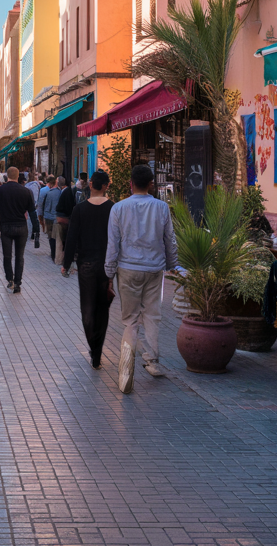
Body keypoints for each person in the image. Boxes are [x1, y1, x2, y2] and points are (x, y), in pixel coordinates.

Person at [104, 164, 178, 393]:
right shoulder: (162, 207)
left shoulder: (118, 208)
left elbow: (112, 244)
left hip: (127, 269)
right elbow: (170, 240)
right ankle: (152, 361)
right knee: (152, 315)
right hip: (154, 269)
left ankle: (126, 370)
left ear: (130, 184)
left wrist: (109, 272)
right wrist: (172, 265)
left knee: (130, 319)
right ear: (151, 185)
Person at [62, 171, 115, 369]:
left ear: (90, 185)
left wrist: (66, 264)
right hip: (107, 266)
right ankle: (98, 351)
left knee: (88, 308)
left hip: (85, 266)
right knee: (103, 308)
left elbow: (72, 238)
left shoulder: (79, 209)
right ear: (106, 186)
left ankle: (93, 347)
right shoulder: (113, 209)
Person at [0, 166, 39, 293]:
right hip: (21, 227)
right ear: (18, 176)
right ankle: (18, 282)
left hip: (6, 226)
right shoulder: (26, 191)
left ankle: (10, 280)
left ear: (7, 176)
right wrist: (36, 230)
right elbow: (32, 212)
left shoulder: (0, 190)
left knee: (7, 256)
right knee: (20, 256)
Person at [38, 175, 60, 262]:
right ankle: (55, 254)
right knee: (56, 236)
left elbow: (41, 205)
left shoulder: (45, 192)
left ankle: (53, 253)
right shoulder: (60, 192)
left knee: (50, 236)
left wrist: (41, 216)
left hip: (48, 217)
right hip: (56, 217)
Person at [54, 176, 75, 271]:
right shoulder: (68, 192)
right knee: (62, 240)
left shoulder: (65, 192)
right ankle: (60, 260)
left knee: (59, 240)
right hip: (63, 218)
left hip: (60, 217)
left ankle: (58, 259)